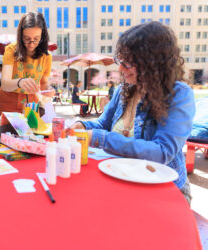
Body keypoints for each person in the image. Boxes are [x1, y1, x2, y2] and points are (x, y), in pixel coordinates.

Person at [68, 21, 195, 204]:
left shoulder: (179, 95)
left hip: (165, 190)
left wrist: (100, 138)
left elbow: (162, 152)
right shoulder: (125, 90)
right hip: (124, 179)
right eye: (121, 61)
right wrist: (82, 126)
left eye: (127, 63)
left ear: (151, 63)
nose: (120, 68)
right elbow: (102, 125)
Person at [0, 12, 54, 115]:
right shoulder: (11, 50)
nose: (31, 44)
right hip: (8, 101)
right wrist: (19, 82)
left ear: (43, 36)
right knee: (5, 131)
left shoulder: (47, 56)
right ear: (20, 35)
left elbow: (44, 83)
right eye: (27, 39)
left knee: (31, 130)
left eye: (36, 39)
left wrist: (48, 91)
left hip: (31, 103)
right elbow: (5, 84)